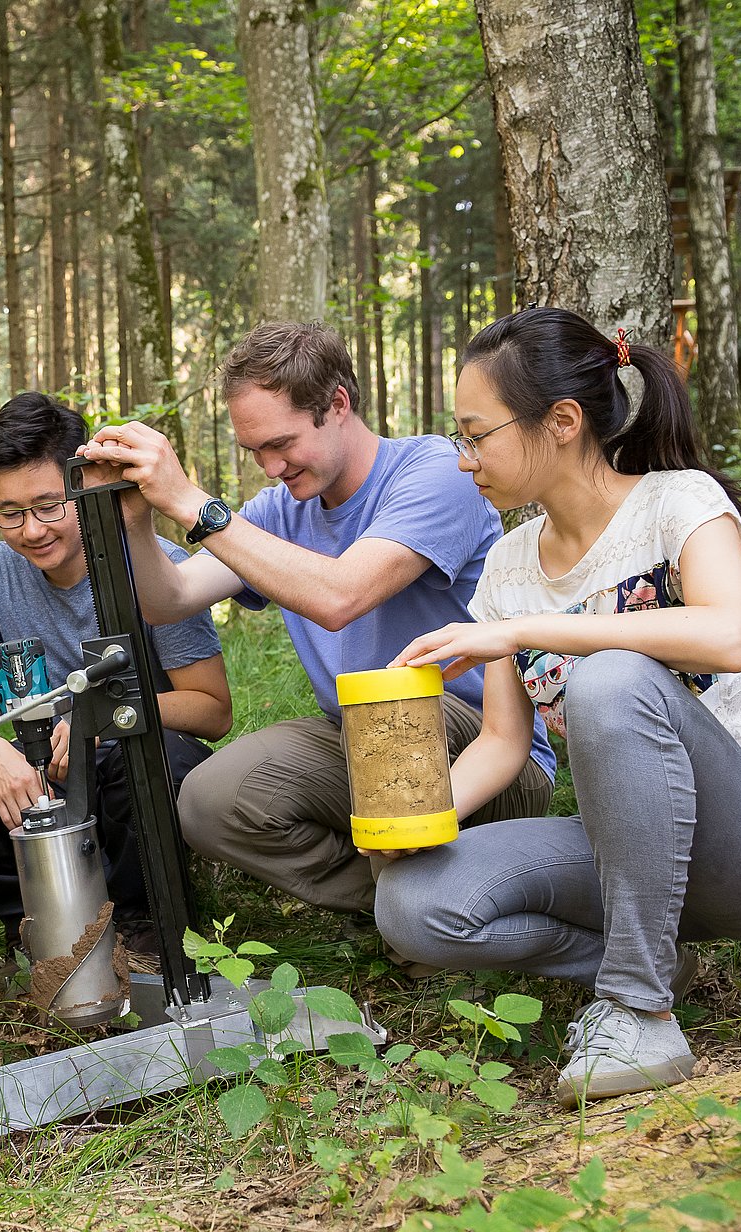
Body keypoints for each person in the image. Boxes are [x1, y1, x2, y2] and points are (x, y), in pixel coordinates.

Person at [370, 308, 741, 1106]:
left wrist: (526, 630)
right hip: (629, 852)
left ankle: (638, 1008)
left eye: (477, 435)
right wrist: (408, 821)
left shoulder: (678, 503)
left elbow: (729, 636)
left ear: (561, 421)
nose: (463, 458)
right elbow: (504, 743)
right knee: (413, 905)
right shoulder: (510, 565)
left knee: (610, 676)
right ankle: (653, 960)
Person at [76, 322, 555, 928]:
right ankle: (405, 899)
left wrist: (191, 501)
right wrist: (137, 519)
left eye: (281, 443)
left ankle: (435, 904)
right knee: (210, 800)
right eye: (254, 451)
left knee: (386, 714)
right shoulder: (281, 510)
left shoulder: (437, 473)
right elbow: (170, 598)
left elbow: (340, 596)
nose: (270, 467)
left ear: (337, 404)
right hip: (360, 733)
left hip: (486, 750)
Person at [0, 393, 233, 958]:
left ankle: (139, 922)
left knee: (161, 759)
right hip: (42, 777)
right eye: (10, 513)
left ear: (82, 486)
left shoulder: (158, 568)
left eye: (50, 506)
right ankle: (37, 911)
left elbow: (211, 710)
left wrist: (100, 718)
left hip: (124, 768)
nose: (31, 530)